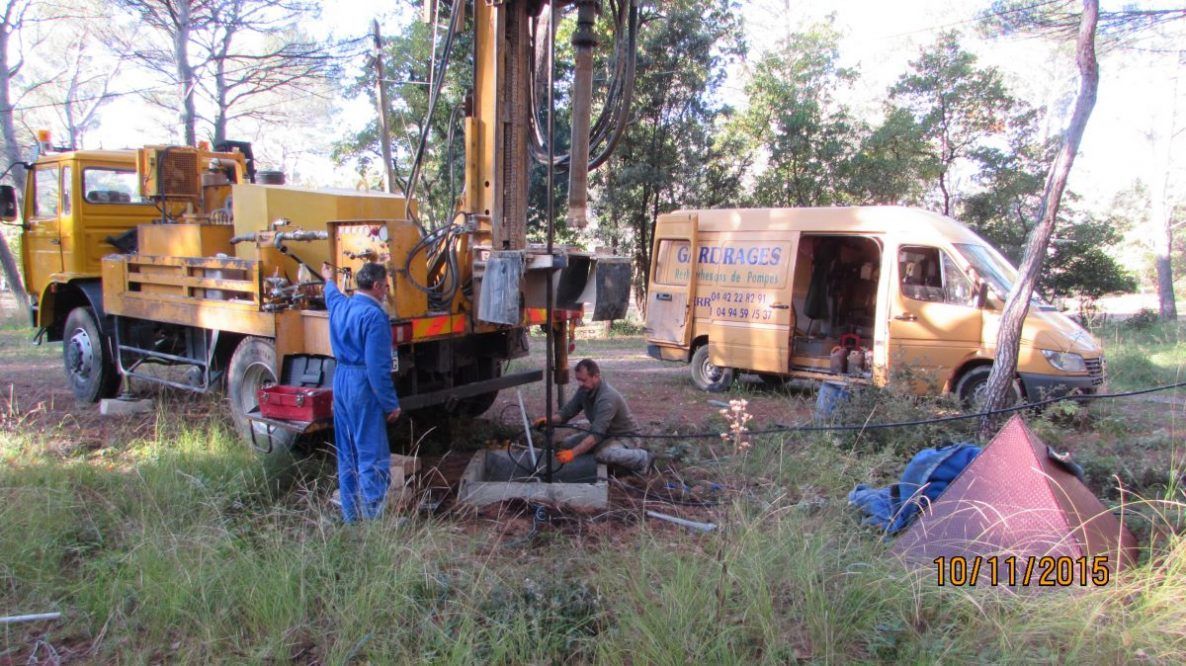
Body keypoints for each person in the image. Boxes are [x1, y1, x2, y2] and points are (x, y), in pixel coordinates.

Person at [322, 261, 401, 522]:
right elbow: (377, 368)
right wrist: (390, 404)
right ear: (377, 286)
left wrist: (328, 278)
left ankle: (351, 517)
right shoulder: (374, 317)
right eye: (386, 286)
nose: (387, 291)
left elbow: (330, 293)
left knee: (347, 454)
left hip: (340, 380)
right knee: (371, 454)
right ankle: (374, 520)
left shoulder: (341, 306)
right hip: (361, 385)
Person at [535, 358, 652, 474]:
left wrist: (573, 453)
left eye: (583, 380)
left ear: (595, 376)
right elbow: (567, 412)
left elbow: (596, 435)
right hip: (605, 434)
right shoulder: (584, 390)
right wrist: (548, 420)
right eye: (578, 380)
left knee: (602, 454)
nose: (580, 384)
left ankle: (643, 458)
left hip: (625, 437)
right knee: (566, 445)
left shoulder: (607, 398)